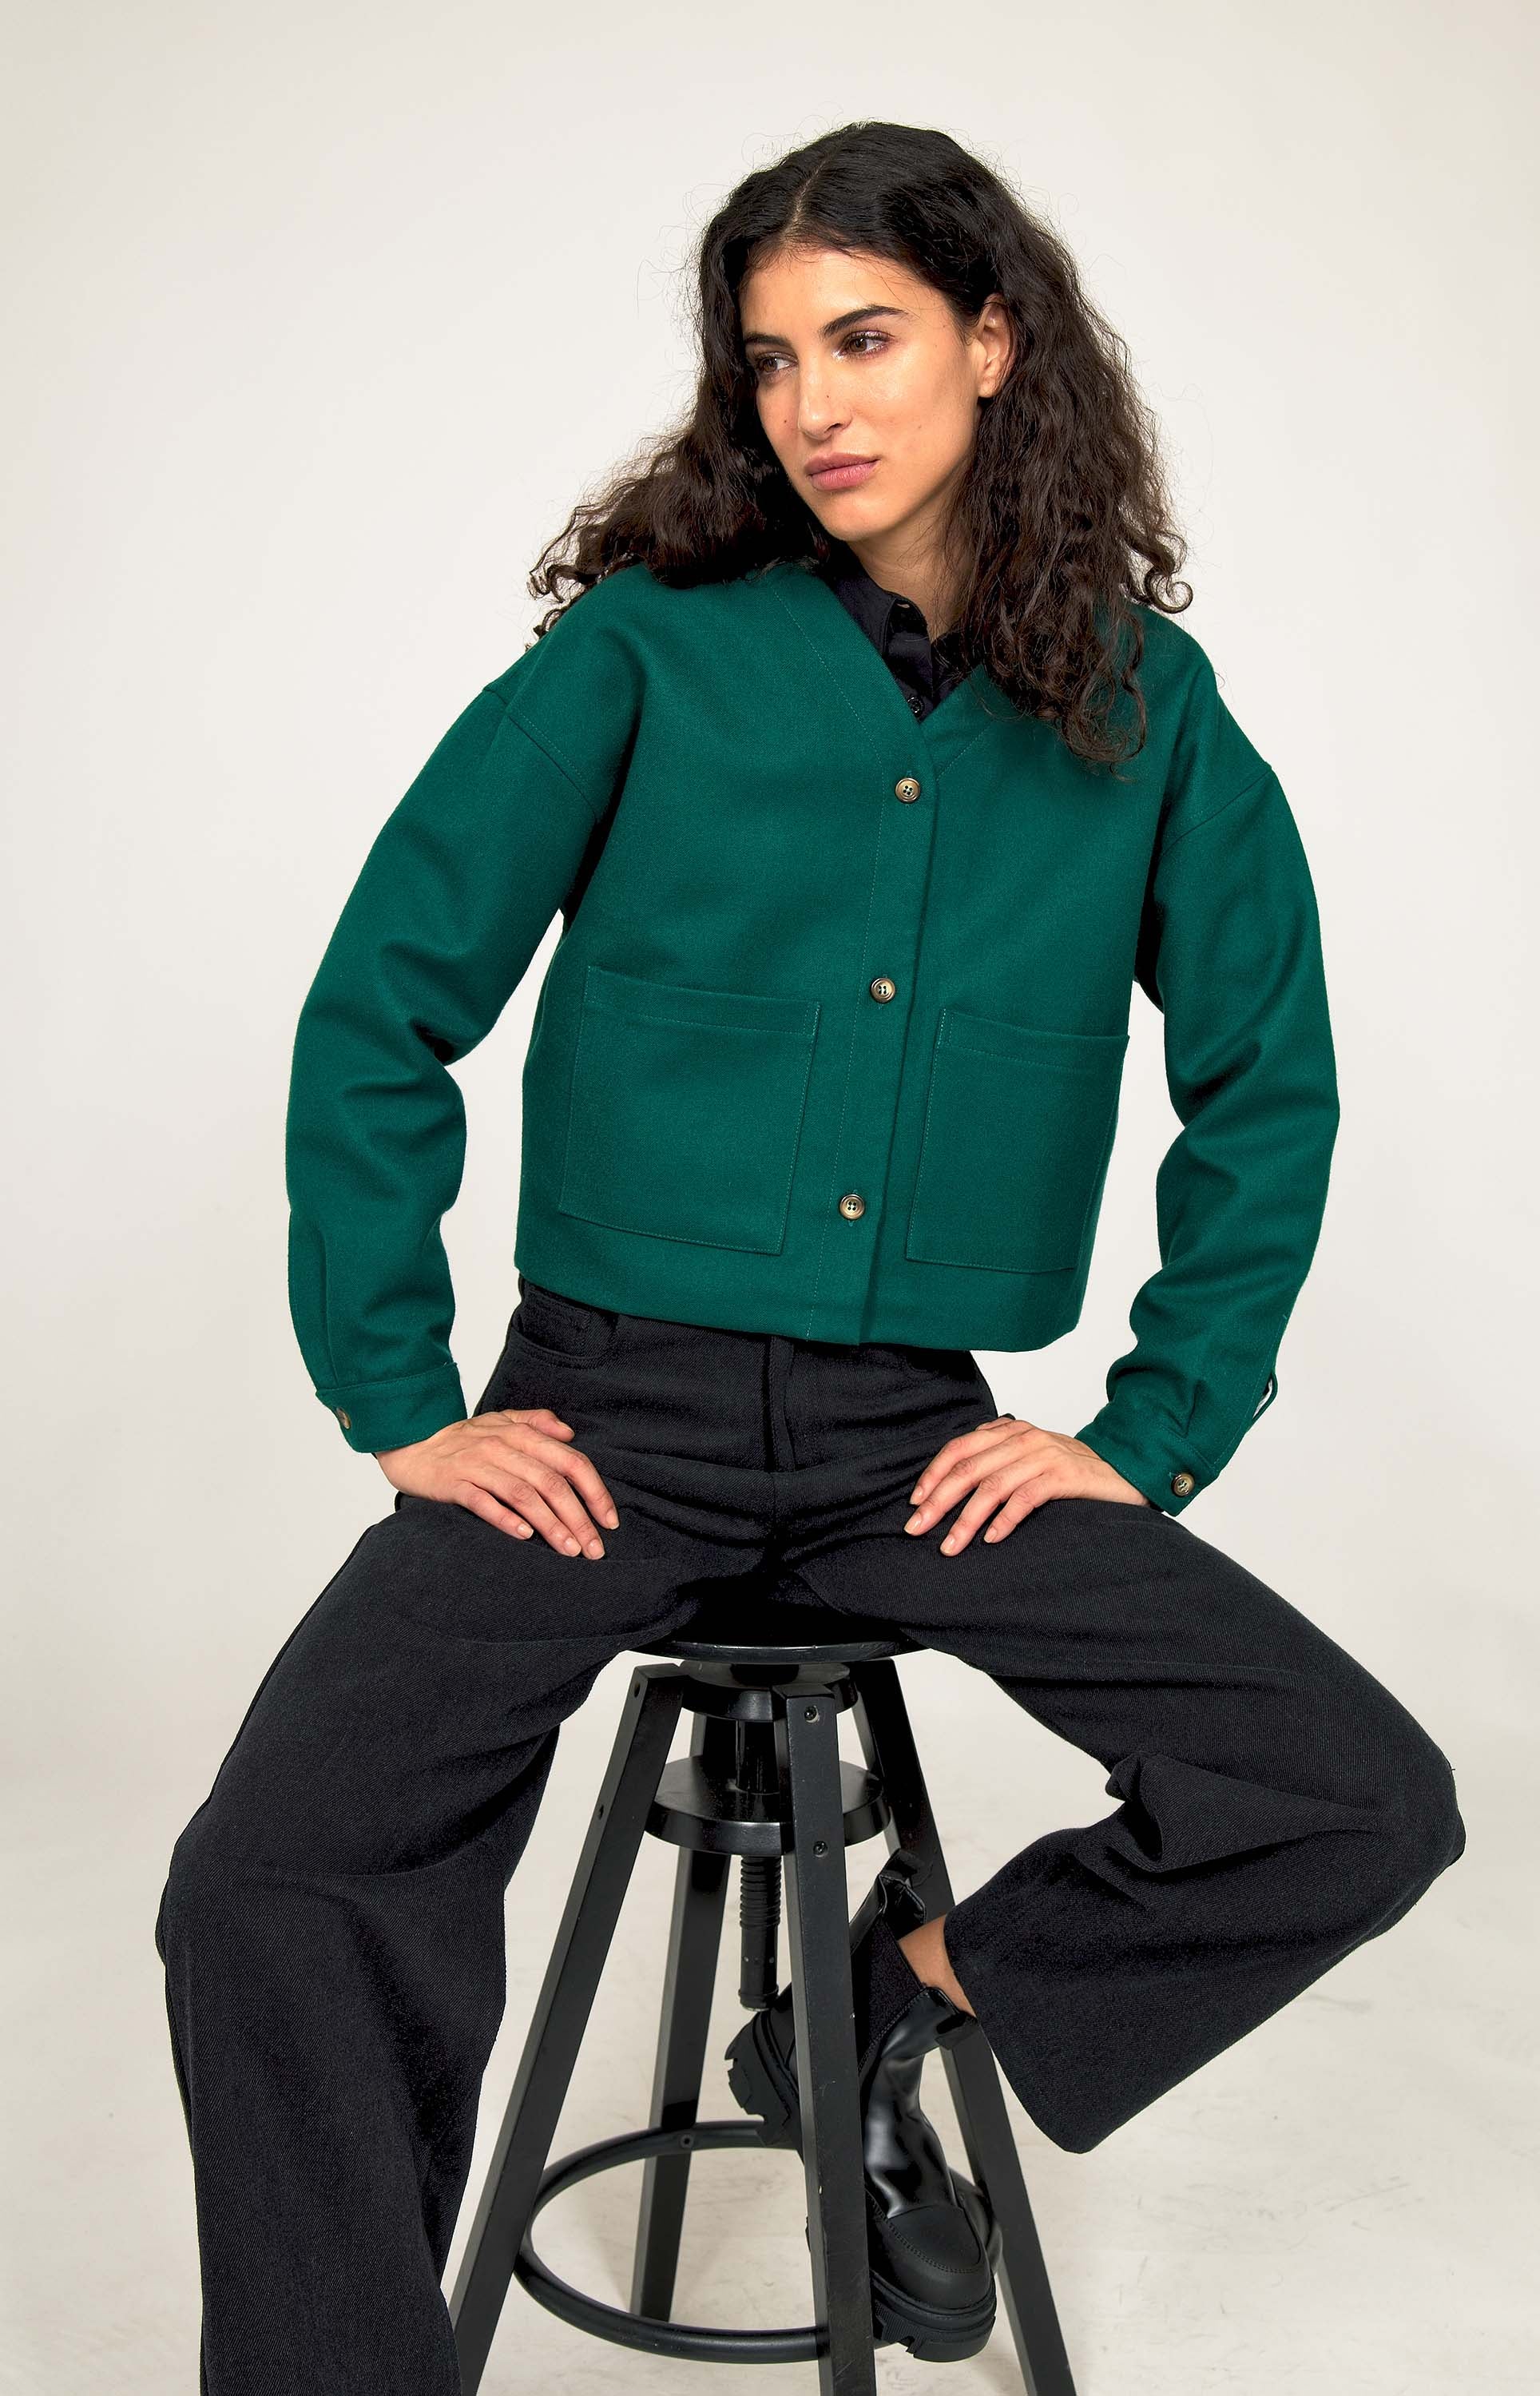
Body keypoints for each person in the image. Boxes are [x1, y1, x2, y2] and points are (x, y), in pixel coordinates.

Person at [154, 118, 1465, 2391]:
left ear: (995, 340)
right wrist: (403, 1398)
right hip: (603, 1422)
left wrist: (1150, 1434)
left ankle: (890, 2000)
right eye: (769, 362)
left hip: (902, 1447)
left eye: (865, 340)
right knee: (269, 1882)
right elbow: (384, 1002)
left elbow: (1271, 1087)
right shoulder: (646, 655)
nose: (815, 406)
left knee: (1357, 1795)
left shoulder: (1144, 709)